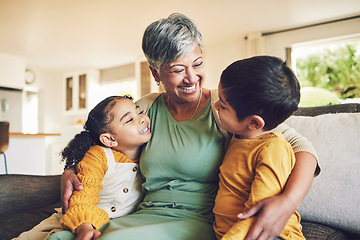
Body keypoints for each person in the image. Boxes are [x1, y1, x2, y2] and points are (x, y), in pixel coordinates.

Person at [60, 13, 319, 240]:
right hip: (144, 214)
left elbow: (299, 146)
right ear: (155, 73)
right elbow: (104, 140)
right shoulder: (144, 110)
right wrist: (72, 170)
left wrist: (287, 203)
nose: (192, 78)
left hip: (197, 221)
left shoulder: (225, 108)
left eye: (197, 64)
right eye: (177, 69)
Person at [16, 95, 151, 240]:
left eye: (139, 112)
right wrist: (84, 226)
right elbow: (83, 198)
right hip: (75, 223)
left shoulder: (150, 153)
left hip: (113, 228)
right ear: (109, 139)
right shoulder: (98, 156)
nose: (142, 119)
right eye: (129, 119)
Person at [213, 56, 305, 239]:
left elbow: (258, 215)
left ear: (254, 123)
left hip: (267, 234)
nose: (215, 106)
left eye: (223, 106)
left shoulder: (273, 149)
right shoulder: (237, 137)